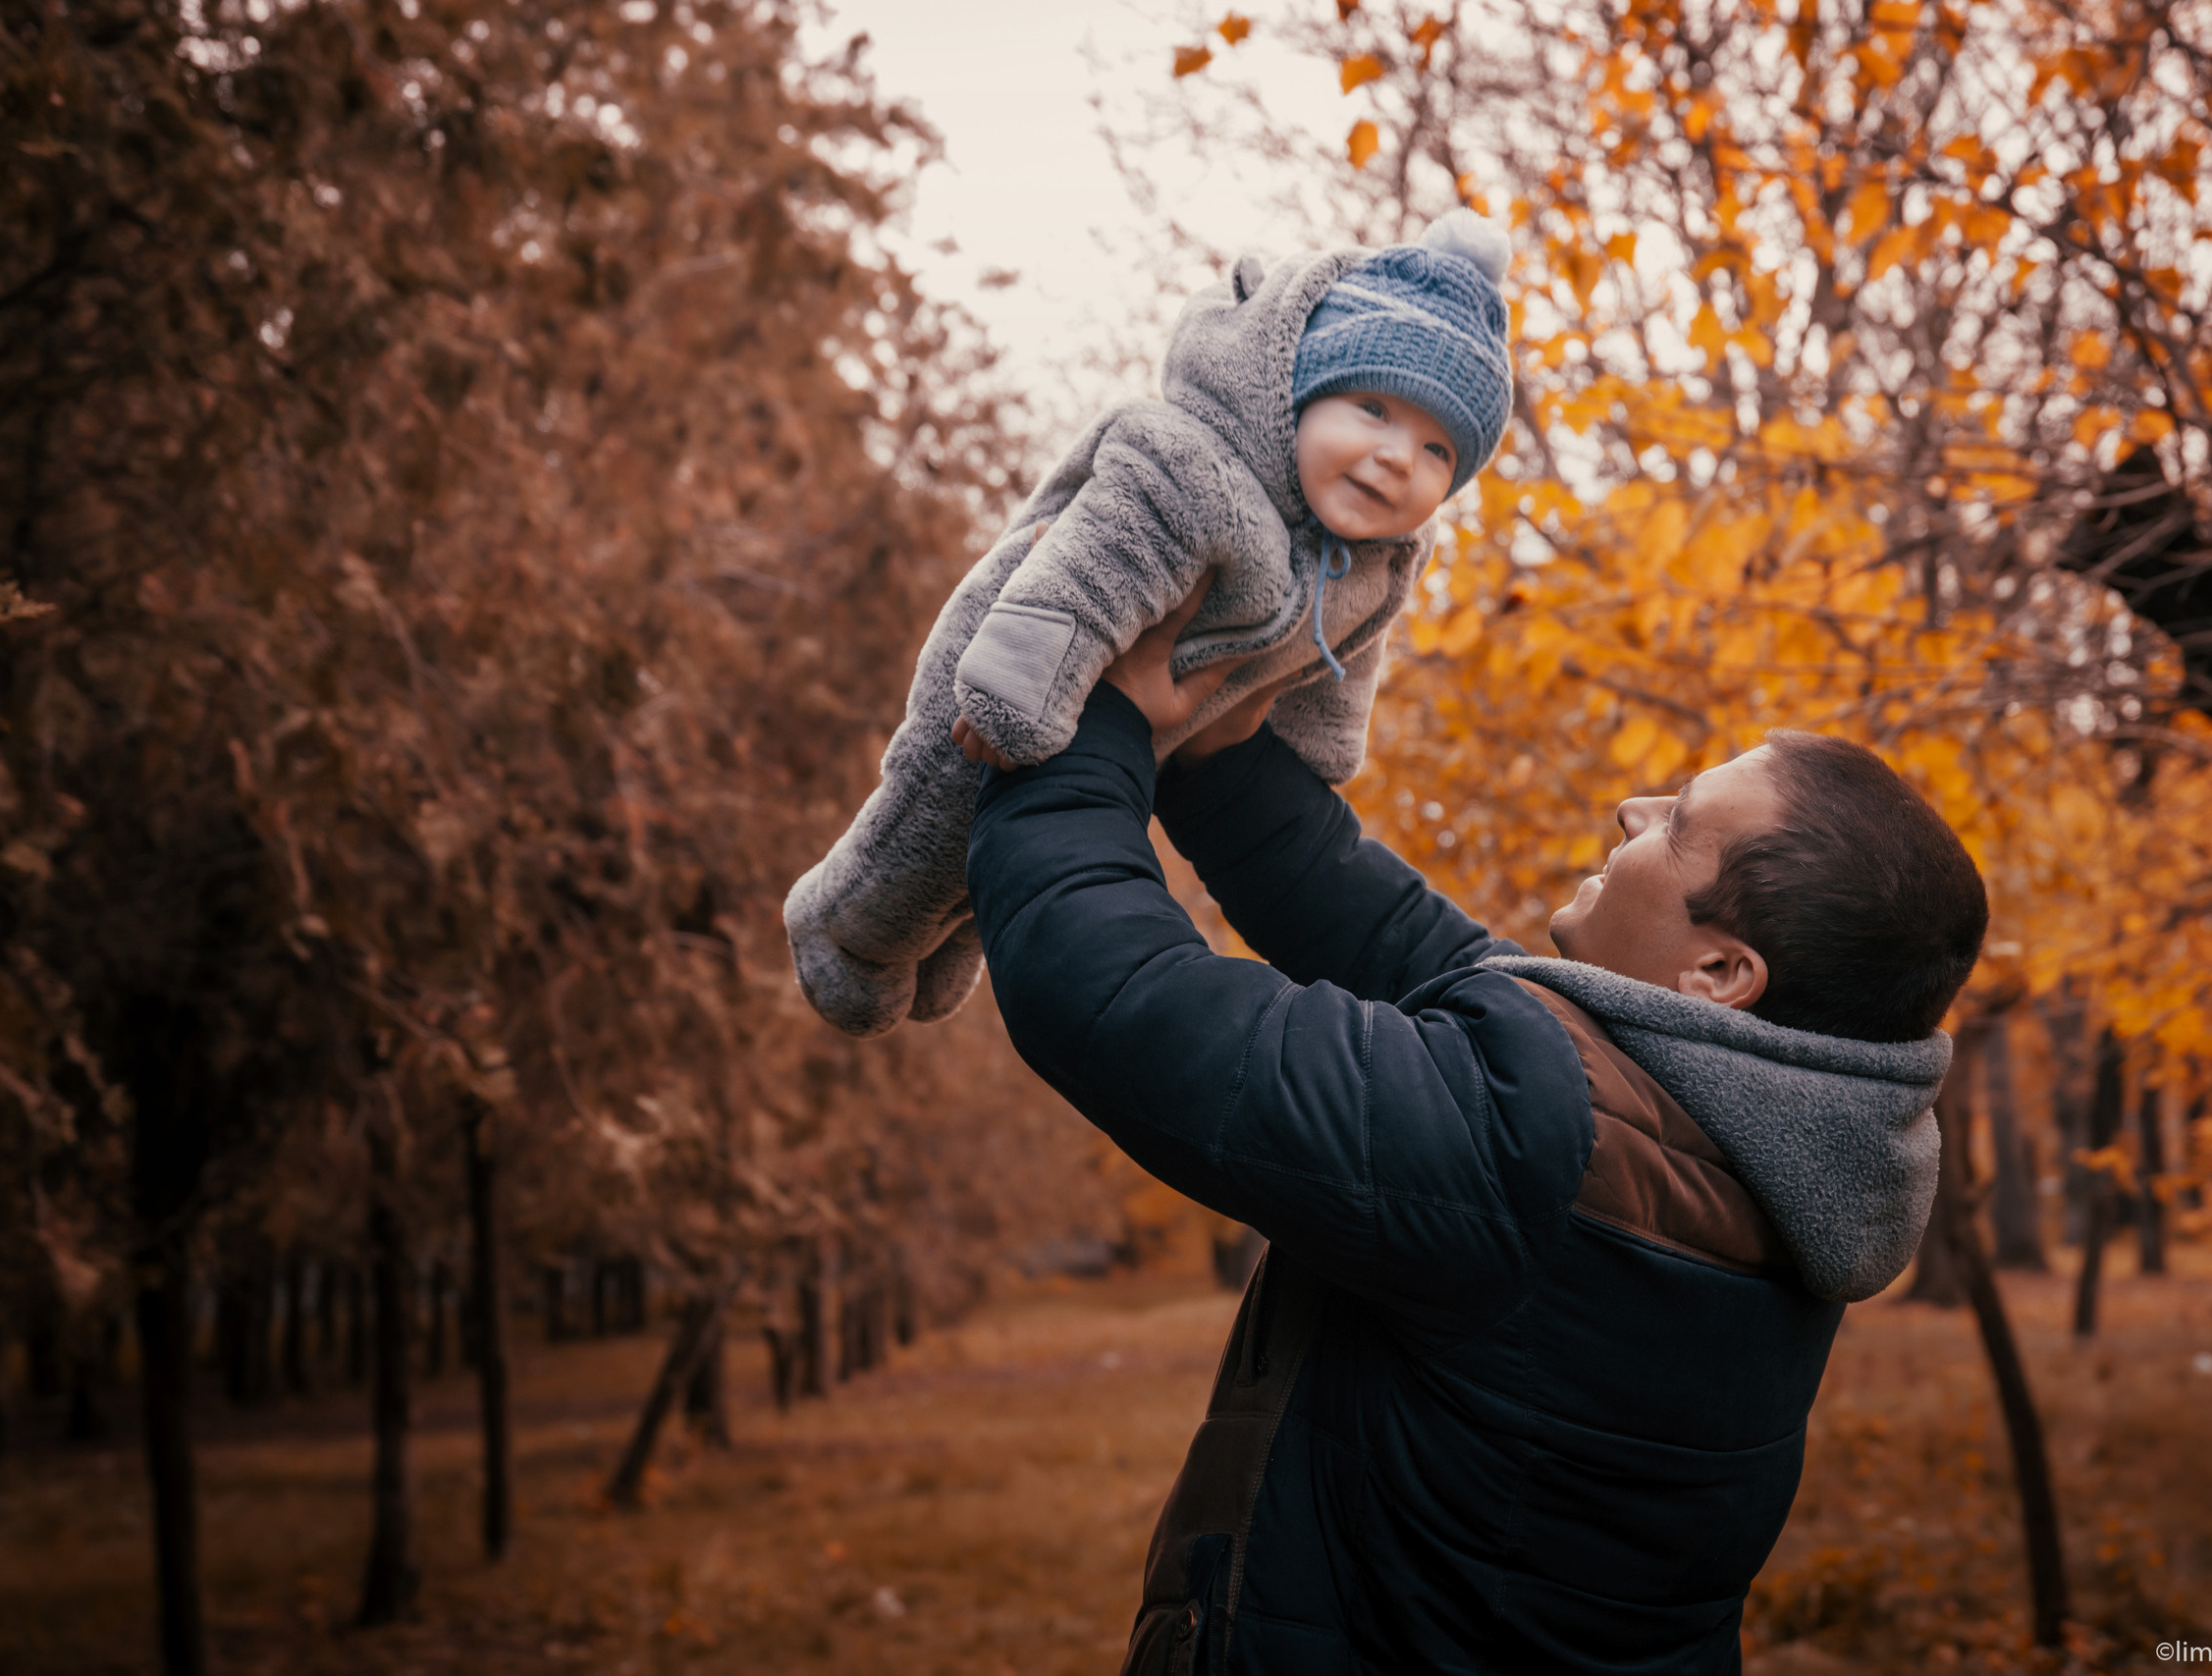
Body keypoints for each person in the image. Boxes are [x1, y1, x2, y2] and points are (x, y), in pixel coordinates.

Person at [965, 592, 1989, 1675]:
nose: (1631, 807)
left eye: (1679, 823)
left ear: (1722, 974)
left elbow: (1117, 1000)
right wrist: (1215, 758)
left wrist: (1082, 724)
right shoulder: (1766, 1155)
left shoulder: (1540, 1148)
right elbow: (1406, 945)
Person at [783, 209, 1513, 1040]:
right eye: (1373, 408)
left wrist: (1315, 758)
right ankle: (843, 932)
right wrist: (1013, 695)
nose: (1396, 458)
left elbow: (1339, 661)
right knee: (926, 835)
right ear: (1300, 392)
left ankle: (946, 943)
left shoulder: (1375, 561)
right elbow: (1084, 569)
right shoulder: (1193, 469)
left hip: (1135, 744)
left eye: (1437, 452)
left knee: (989, 880)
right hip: (1007, 675)